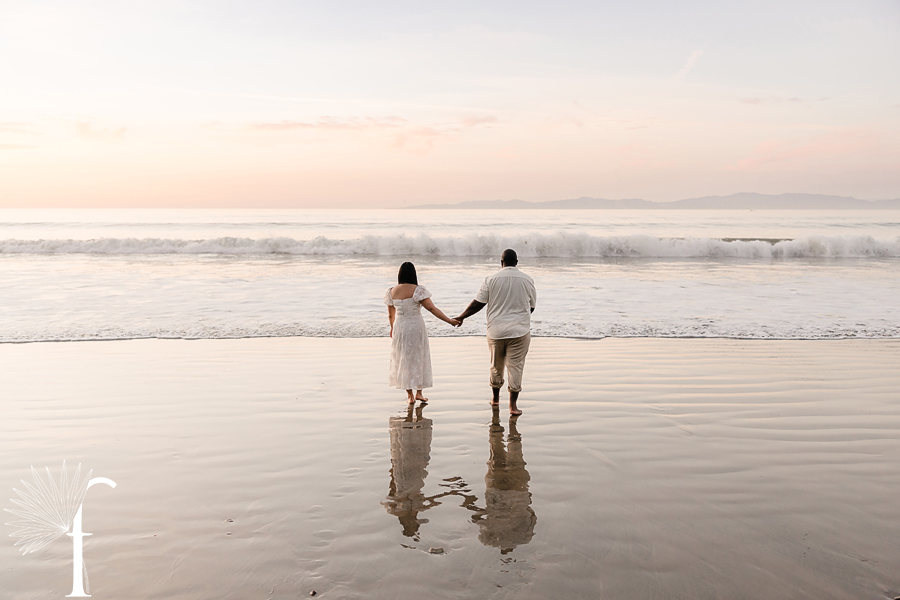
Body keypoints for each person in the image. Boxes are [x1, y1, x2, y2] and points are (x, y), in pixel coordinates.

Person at [456, 249, 536, 415]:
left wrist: (462, 316)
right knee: (516, 367)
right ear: (517, 262)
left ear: (501, 263)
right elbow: (532, 306)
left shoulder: (491, 279)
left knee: (495, 366)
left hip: (496, 331)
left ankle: (495, 399)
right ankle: (513, 406)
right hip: (519, 331)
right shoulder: (528, 280)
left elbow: (477, 303)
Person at [385, 262, 460, 403]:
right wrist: (449, 321)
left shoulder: (391, 291)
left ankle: (410, 396)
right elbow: (432, 309)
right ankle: (419, 392)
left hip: (400, 327)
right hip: (416, 327)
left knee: (403, 358)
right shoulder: (418, 290)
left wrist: (392, 329)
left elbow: (390, 315)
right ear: (413, 274)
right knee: (418, 357)